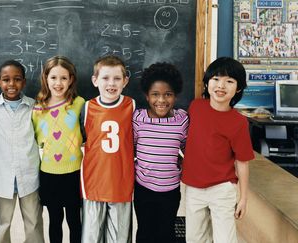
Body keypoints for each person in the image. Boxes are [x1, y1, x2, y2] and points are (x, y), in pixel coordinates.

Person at [182, 57, 254, 243]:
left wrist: (243, 198)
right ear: (207, 83)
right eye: (215, 79)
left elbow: (242, 162)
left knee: (224, 239)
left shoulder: (239, 122)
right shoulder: (195, 107)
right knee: (194, 238)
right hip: (193, 187)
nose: (221, 85)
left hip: (222, 189)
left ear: (238, 88)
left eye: (229, 81)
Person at [0, 60, 44, 243]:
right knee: (2, 225)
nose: (11, 84)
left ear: (24, 82)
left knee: (34, 224)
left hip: (29, 176)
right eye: (6, 79)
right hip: (1, 178)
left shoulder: (34, 106)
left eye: (17, 79)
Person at [132, 62, 189, 243]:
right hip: (143, 188)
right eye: (155, 94)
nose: (162, 100)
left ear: (175, 96)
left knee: (166, 234)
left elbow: (187, 148)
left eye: (168, 95)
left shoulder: (181, 120)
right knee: (145, 234)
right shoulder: (138, 119)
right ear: (147, 96)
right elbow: (130, 148)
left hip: (171, 190)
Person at [81, 55, 135, 243]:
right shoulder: (87, 108)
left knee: (119, 238)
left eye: (117, 78)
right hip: (93, 182)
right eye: (105, 78)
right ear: (95, 80)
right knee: (91, 237)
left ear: (125, 81)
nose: (111, 83)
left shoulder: (132, 106)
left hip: (121, 183)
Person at [32, 56, 85, 243]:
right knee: (54, 220)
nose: (58, 83)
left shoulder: (79, 104)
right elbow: (37, 140)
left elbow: (86, 135)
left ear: (71, 79)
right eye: (53, 77)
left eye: (64, 78)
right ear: (45, 78)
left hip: (74, 172)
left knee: (74, 220)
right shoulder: (37, 109)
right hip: (48, 173)